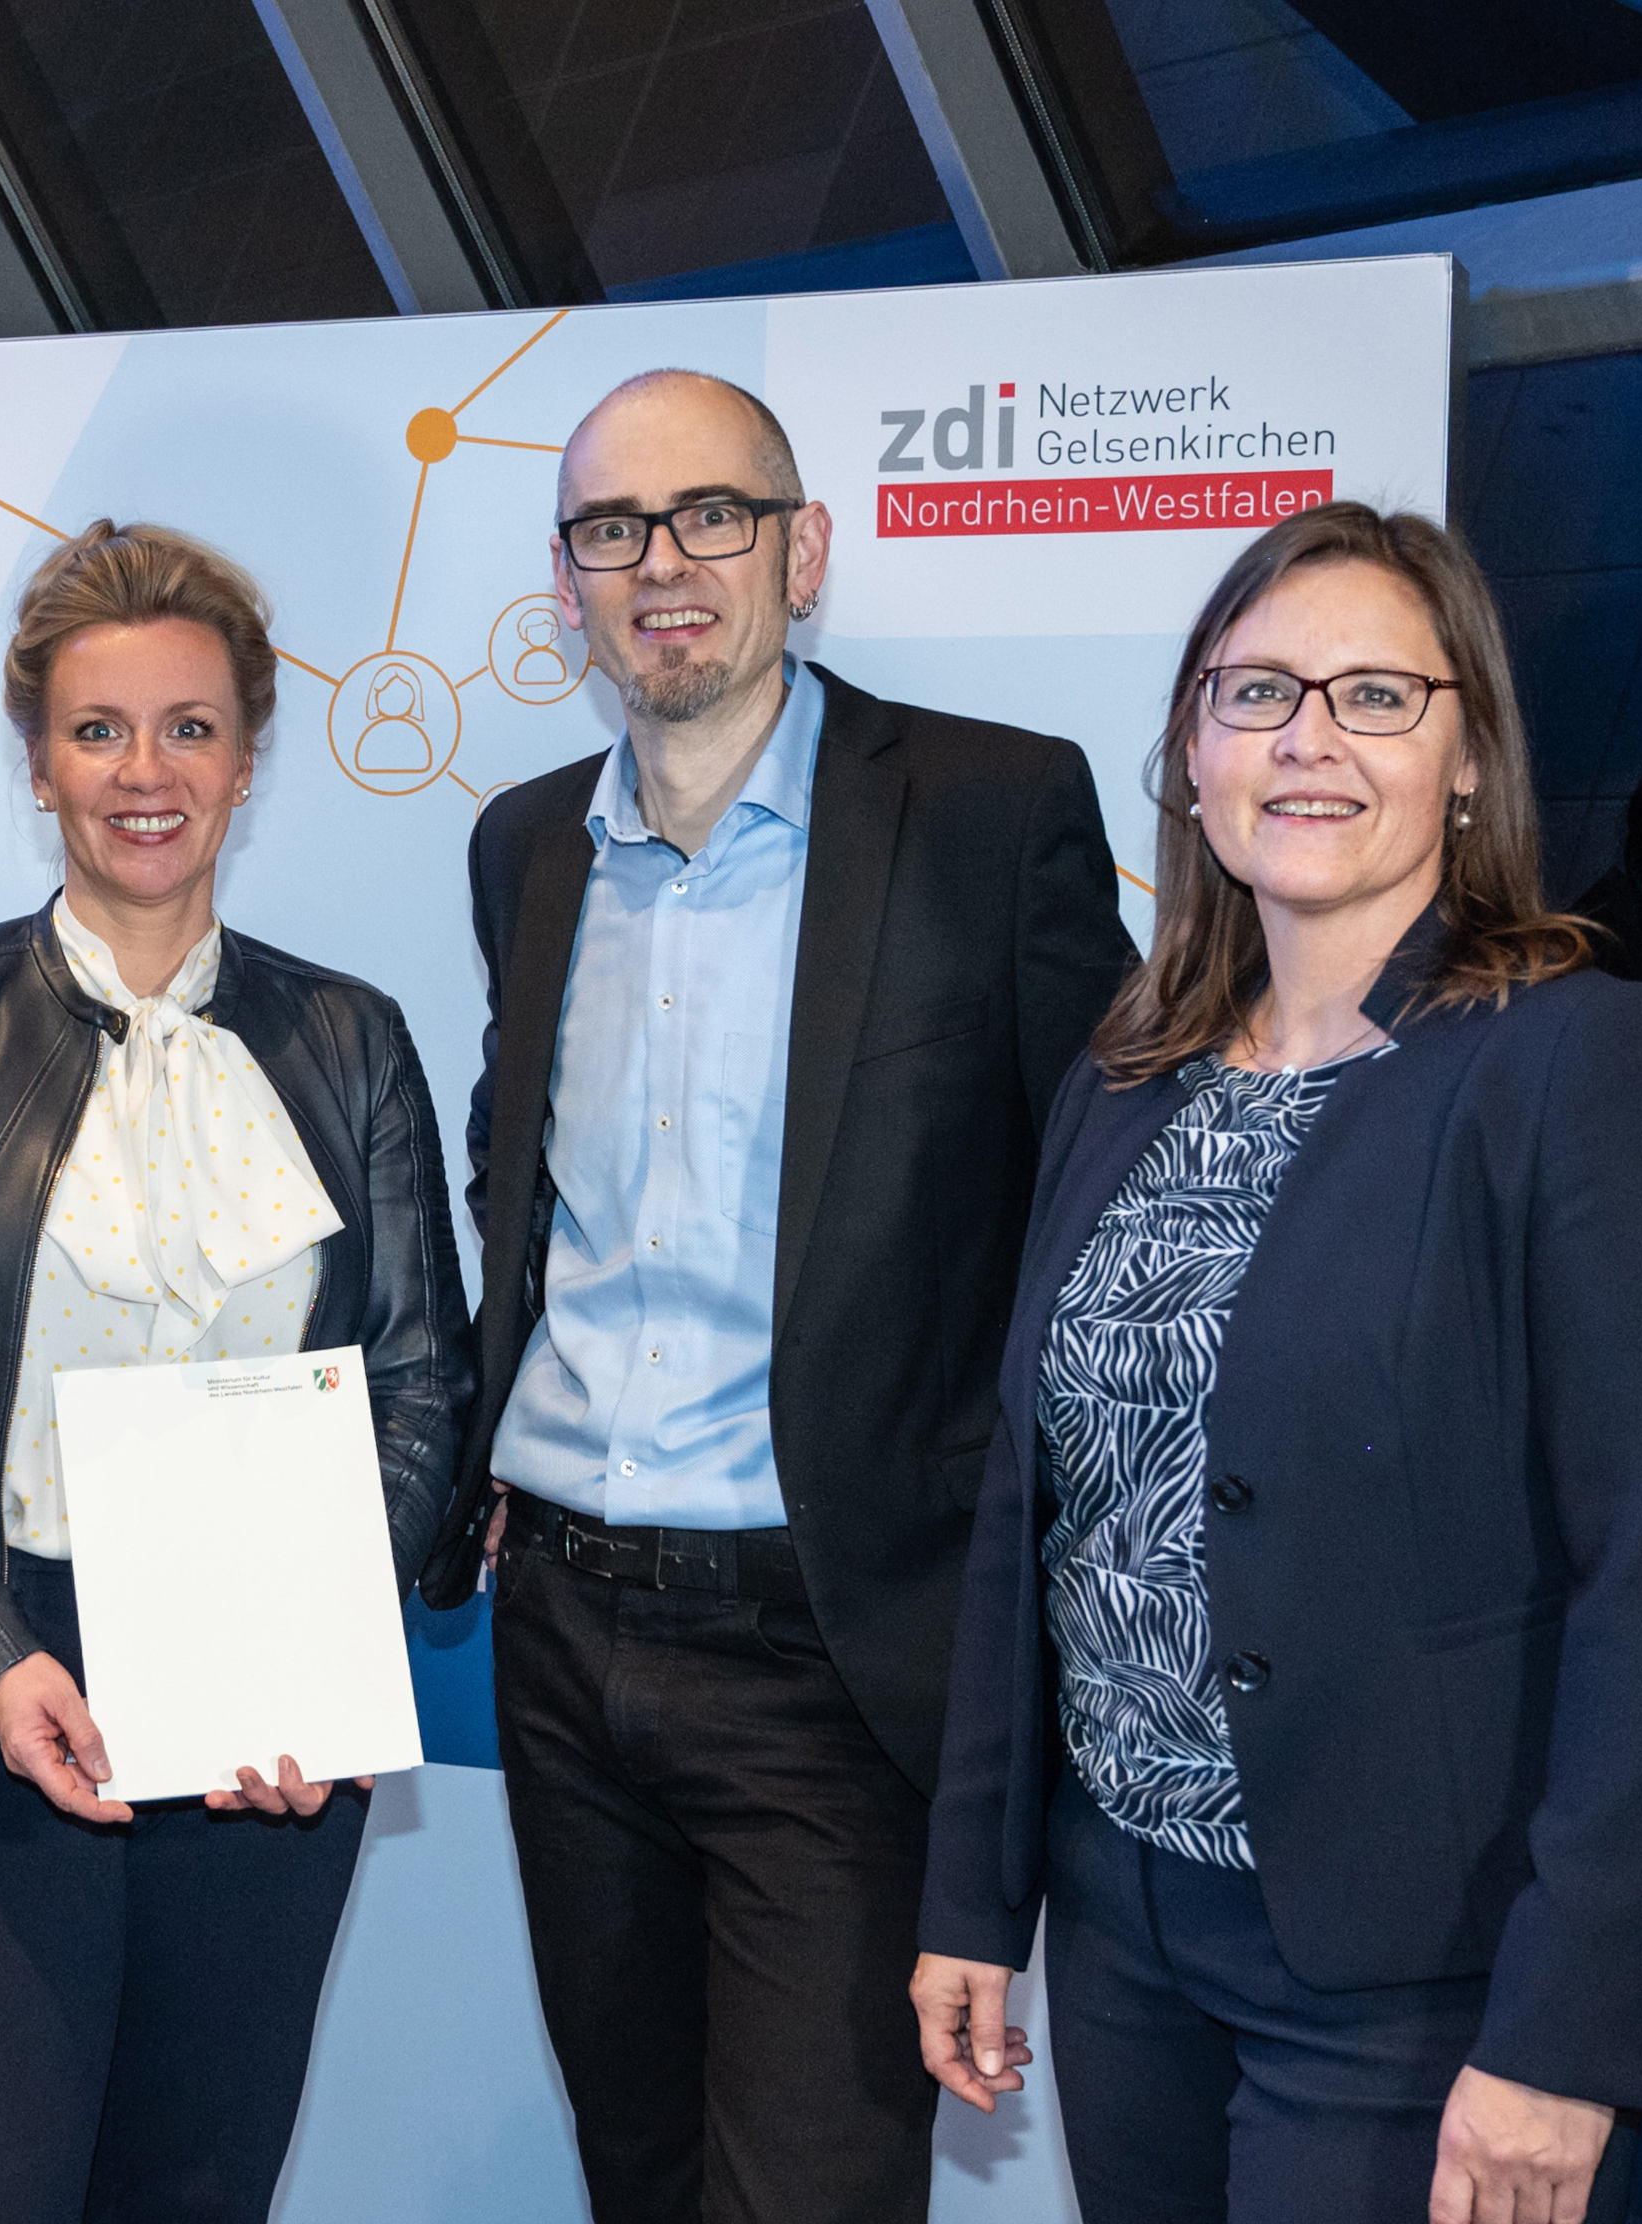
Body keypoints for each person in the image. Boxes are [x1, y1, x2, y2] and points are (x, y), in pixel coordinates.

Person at [912, 502, 1642, 2224]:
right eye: (1257, 693)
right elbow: (1039, 1508)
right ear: (1192, 753)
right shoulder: (1127, 1075)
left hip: (1414, 1980)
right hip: (1122, 1935)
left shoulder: (1580, 1065)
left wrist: (1564, 2037)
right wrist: (971, 1894)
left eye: (1375, 696)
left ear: (1469, 759)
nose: (1307, 738)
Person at [413, 368, 1133, 2221]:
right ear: (564, 580)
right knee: (639, 2177)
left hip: (833, 1650)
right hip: (559, 1636)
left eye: (710, 515)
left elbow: (1103, 1213)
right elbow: (517, 1176)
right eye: (610, 528)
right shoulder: (524, 847)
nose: (660, 563)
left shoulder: (989, 811)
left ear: (801, 552)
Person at [0, 519, 472, 2224]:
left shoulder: (351, 1036)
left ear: (247, 757)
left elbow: (421, 1380)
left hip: (261, 1728)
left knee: (197, 2191)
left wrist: (303, 1658)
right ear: (38, 762)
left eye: (189, 729)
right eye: (99, 731)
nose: (146, 774)